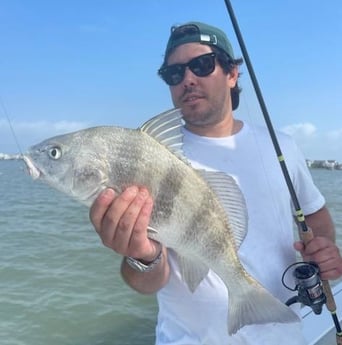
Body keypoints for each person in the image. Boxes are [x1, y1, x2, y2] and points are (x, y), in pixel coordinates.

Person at [89, 21, 342, 344]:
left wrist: (323, 253)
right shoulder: (152, 157)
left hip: (282, 334)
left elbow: (315, 215)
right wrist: (140, 256)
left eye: (201, 65)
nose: (188, 79)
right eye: (174, 74)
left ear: (232, 74)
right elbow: (149, 281)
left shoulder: (283, 146)